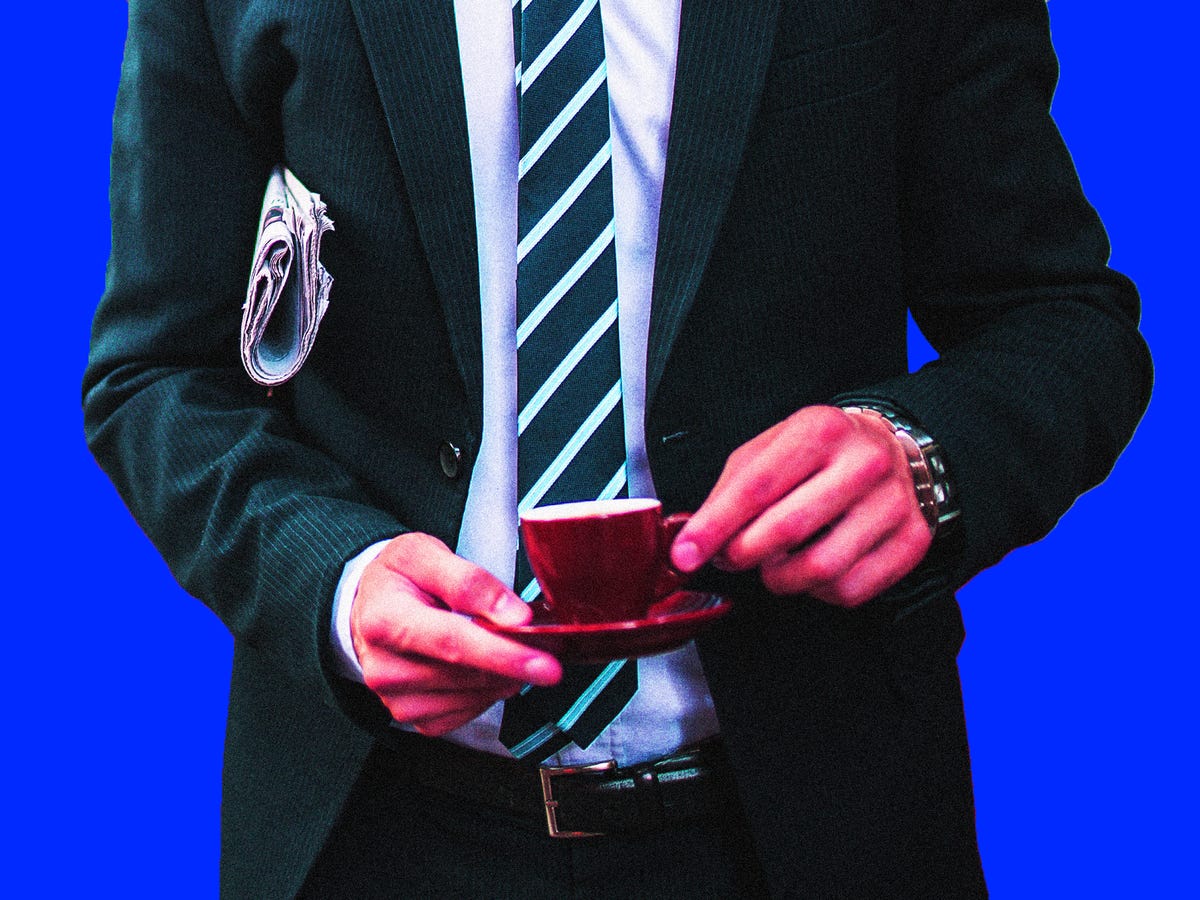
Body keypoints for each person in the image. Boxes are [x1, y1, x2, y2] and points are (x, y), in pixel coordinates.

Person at [84, 0, 1151, 897]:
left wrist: (924, 455)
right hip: (374, 827)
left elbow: (1061, 319)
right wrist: (335, 581)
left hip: (813, 814)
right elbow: (158, 375)